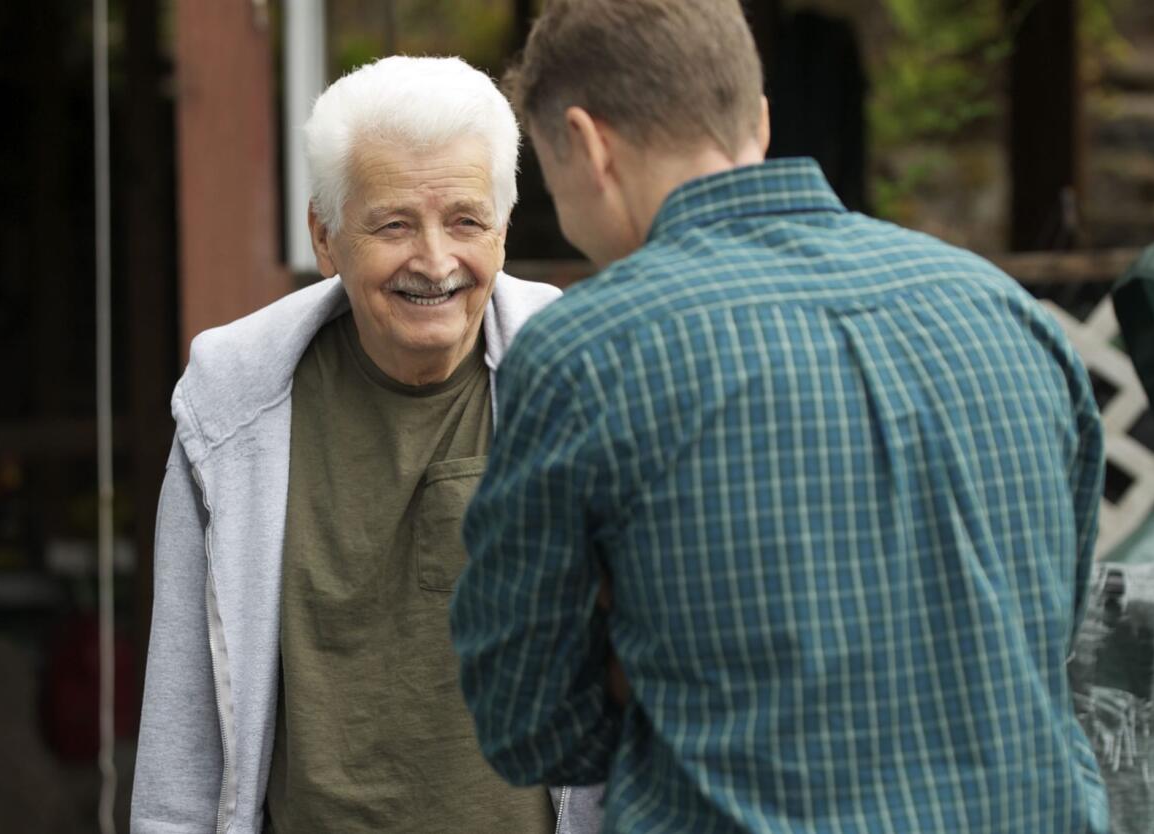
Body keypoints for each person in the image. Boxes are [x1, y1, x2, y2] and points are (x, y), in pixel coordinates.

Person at [450, 2, 1110, 832]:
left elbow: (525, 721)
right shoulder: (1006, 311)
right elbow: (1050, 625)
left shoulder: (589, 353)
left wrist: (644, 667)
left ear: (585, 143)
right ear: (757, 120)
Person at [131, 56, 602, 834]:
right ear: (326, 237)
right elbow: (181, 749)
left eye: (465, 220)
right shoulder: (230, 414)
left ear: (504, 231)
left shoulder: (587, 390)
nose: (435, 261)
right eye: (393, 224)